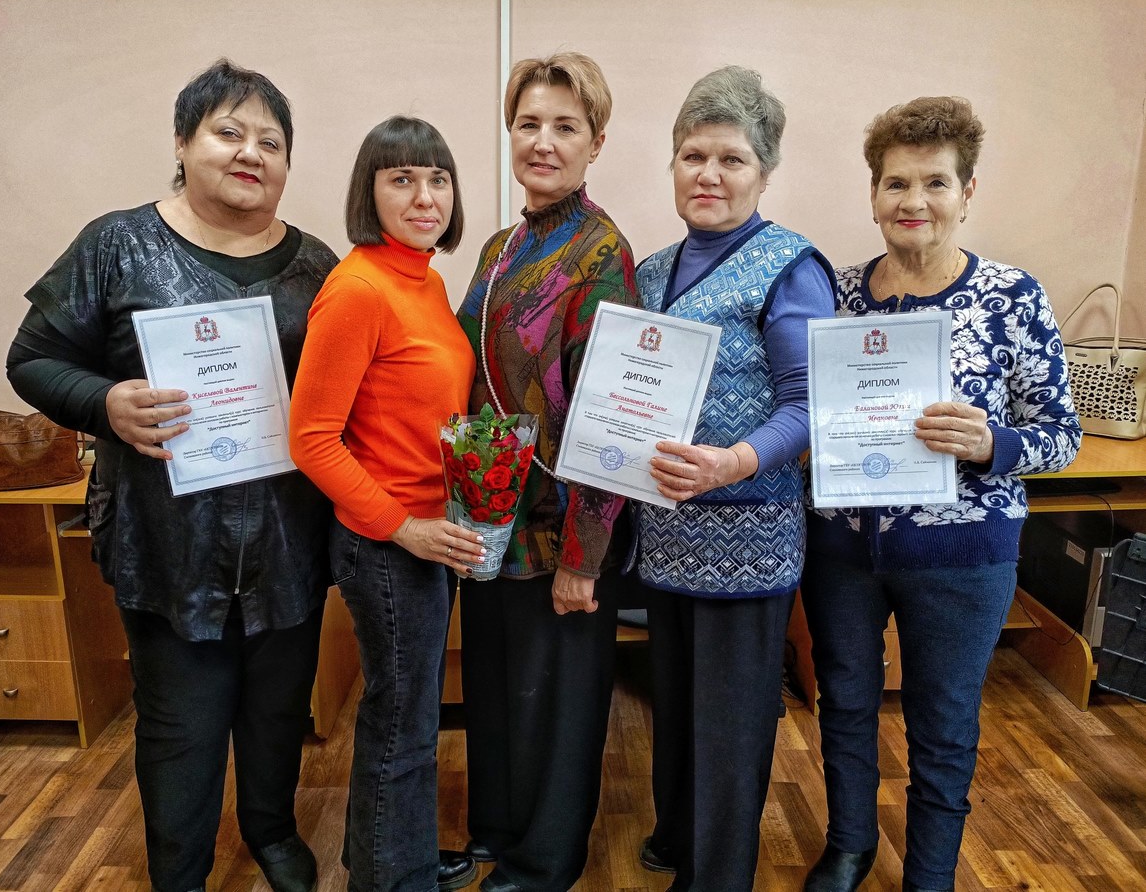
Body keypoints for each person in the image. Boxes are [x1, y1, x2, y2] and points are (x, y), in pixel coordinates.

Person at [5, 60, 337, 892]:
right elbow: (32, 358)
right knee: (179, 726)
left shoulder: (316, 265)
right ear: (184, 142)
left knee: (276, 710)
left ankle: (271, 830)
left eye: (271, 141)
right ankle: (179, 871)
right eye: (229, 132)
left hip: (289, 541)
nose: (250, 152)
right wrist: (104, 401)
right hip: (166, 544)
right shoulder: (117, 244)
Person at [801, 96, 1081, 892]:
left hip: (963, 554)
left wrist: (995, 445)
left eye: (934, 183)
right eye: (896, 183)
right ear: (873, 195)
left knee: (944, 721)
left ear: (967, 193)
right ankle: (850, 846)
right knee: (845, 702)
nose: (913, 201)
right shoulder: (836, 297)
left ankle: (930, 875)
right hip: (843, 549)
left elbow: (1060, 433)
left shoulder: (1011, 296)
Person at [630, 66, 835, 891]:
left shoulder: (791, 267)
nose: (708, 175)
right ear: (673, 164)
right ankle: (678, 836)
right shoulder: (651, 271)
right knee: (676, 704)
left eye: (731, 159)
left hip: (747, 540)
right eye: (693, 156)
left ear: (764, 171)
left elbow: (810, 405)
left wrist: (733, 462)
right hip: (668, 536)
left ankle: (715, 875)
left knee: (729, 723)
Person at [455, 52, 638, 892]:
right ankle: (498, 831)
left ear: (595, 143)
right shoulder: (501, 247)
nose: (543, 141)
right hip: (491, 518)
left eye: (565, 126)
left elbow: (611, 419)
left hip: (562, 524)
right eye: (529, 123)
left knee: (556, 706)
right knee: (498, 693)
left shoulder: (602, 252)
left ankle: (544, 862)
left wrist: (582, 558)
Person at [288, 116, 479, 892]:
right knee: (403, 726)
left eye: (438, 178)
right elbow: (311, 440)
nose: (425, 196)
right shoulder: (358, 289)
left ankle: (393, 857)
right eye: (401, 179)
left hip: (429, 535)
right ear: (369, 194)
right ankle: (392, 879)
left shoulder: (424, 280)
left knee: (410, 718)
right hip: (388, 545)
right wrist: (405, 529)